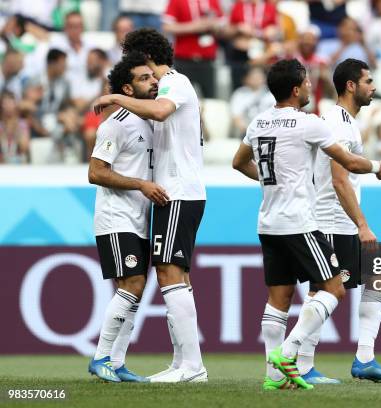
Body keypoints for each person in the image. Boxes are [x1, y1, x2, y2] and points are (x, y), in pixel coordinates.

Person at [231, 58, 381, 390]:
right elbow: (346, 165)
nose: (310, 87)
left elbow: (238, 162)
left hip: (268, 221)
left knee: (280, 298)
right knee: (332, 289)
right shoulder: (310, 123)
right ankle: (290, 355)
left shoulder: (258, 122)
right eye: (306, 82)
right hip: (302, 222)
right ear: (295, 89)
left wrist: (271, 185)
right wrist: (379, 166)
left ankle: (274, 376)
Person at [93, 28, 208, 383]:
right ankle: (181, 363)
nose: (146, 78)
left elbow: (160, 111)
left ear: (145, 57)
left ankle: (191, 366)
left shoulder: (173, 82)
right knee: (170, 277)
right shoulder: (127, 121)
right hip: (165, 197)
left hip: (177, 193)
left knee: (169, 274)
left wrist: (116, 96)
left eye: (138, 64)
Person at [300, 58, 381, 385]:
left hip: (339, 222)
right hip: (332, 222)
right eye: (369, 81)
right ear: (351, 86)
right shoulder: (339, 124)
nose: (374, 87)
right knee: (325, 291)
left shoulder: (346, 121)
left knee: (378, 277)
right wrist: (362, 224)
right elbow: (339, 179)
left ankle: (365, 358)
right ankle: (300, 363)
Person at [87, 52, 168, 383]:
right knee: (132, 283)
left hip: (139, 218)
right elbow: (95, 172)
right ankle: (101, 357)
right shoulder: (115, 125)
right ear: (127, 88)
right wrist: (140, 184)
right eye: (144, 78)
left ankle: (117, 362)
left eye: (153, 76)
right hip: (115, 216)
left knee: (135, 286)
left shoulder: (152, 121)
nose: (153, 82)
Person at [162, 0, 224, 98]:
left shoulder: (213, 1)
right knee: (183, 98)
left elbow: (223, 28)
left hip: (207, 58)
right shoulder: (177, 1)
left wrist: (214, 26)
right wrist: (194, 26)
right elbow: (167, 27)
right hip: (184, 58)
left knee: (210, 99)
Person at [229, 65, 275, 138]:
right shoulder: (239, 94)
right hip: (247, 133)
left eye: (259, 76)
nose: (256, 79)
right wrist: (248, 130)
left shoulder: (272, 94)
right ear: (246, 79)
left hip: (269, 131)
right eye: (253, 77)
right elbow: (236, 117)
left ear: (264, 78)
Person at [0, 90, 30, 163]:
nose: (8, 106)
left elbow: (24, 148)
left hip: (18, 163)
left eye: (10, 103)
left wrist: (16, 129)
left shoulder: (22, 124)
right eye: (5, 103)